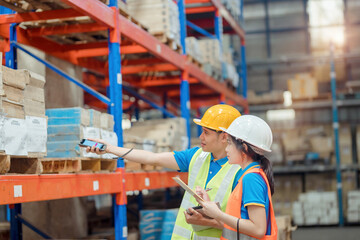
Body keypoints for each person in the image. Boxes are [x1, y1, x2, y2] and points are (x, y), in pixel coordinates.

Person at [86, 104, 242, 239]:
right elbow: (153, 158)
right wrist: (109, 148)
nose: (200, 136)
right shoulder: (196, 156)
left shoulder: (241, 172)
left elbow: (246, 227)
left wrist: (206, 222)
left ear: (224, 137)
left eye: (206, 133)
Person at [194, 115, 278, 240]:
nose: (226, 149)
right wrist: (209, 205)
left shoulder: (251, 179)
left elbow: (258, 229)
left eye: (229, 144)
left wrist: (218, 214)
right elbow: (240, 218)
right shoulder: (248, 175)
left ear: (243, 148)